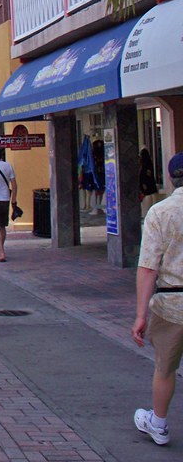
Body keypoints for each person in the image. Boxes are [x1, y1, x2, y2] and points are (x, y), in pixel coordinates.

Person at [132, 151, 183, 446]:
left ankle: (159, 424)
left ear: (170, 178)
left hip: (172, 301)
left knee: (165, 367)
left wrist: (141, 315)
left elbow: (149, 266)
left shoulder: (161, 212)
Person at [140, 147, 159, 217]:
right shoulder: (148, 165)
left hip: (147, 191)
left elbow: (145, 178)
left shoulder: (145, 166)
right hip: (150, 190)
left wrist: (144, 189)